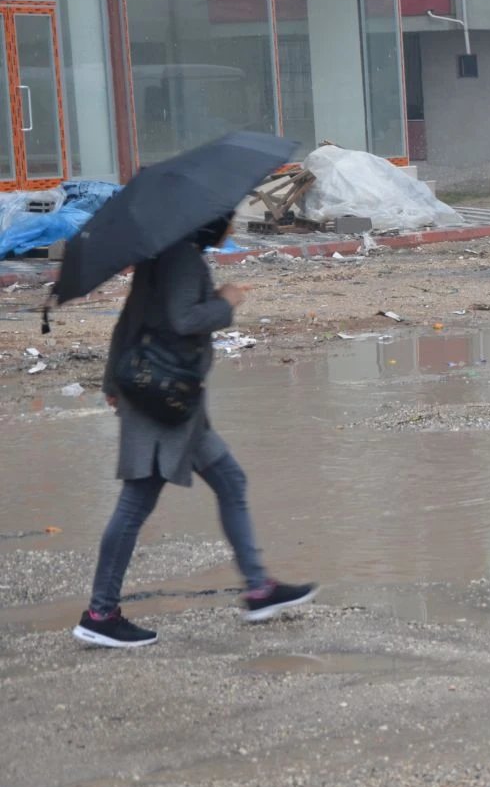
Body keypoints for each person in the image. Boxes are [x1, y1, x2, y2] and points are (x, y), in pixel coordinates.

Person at [73, 215, 316, 649]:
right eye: (230, 220)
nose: (233, 226)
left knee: (230, 480)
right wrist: (226, 302)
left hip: (174, 404)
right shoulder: (182, 258)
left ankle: (259, 589)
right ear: (212, 223)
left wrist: (112, 384)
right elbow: (185, 320)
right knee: (135, 505)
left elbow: (126, 323)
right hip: (161, 402)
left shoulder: (160, 255)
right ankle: (100, 614)